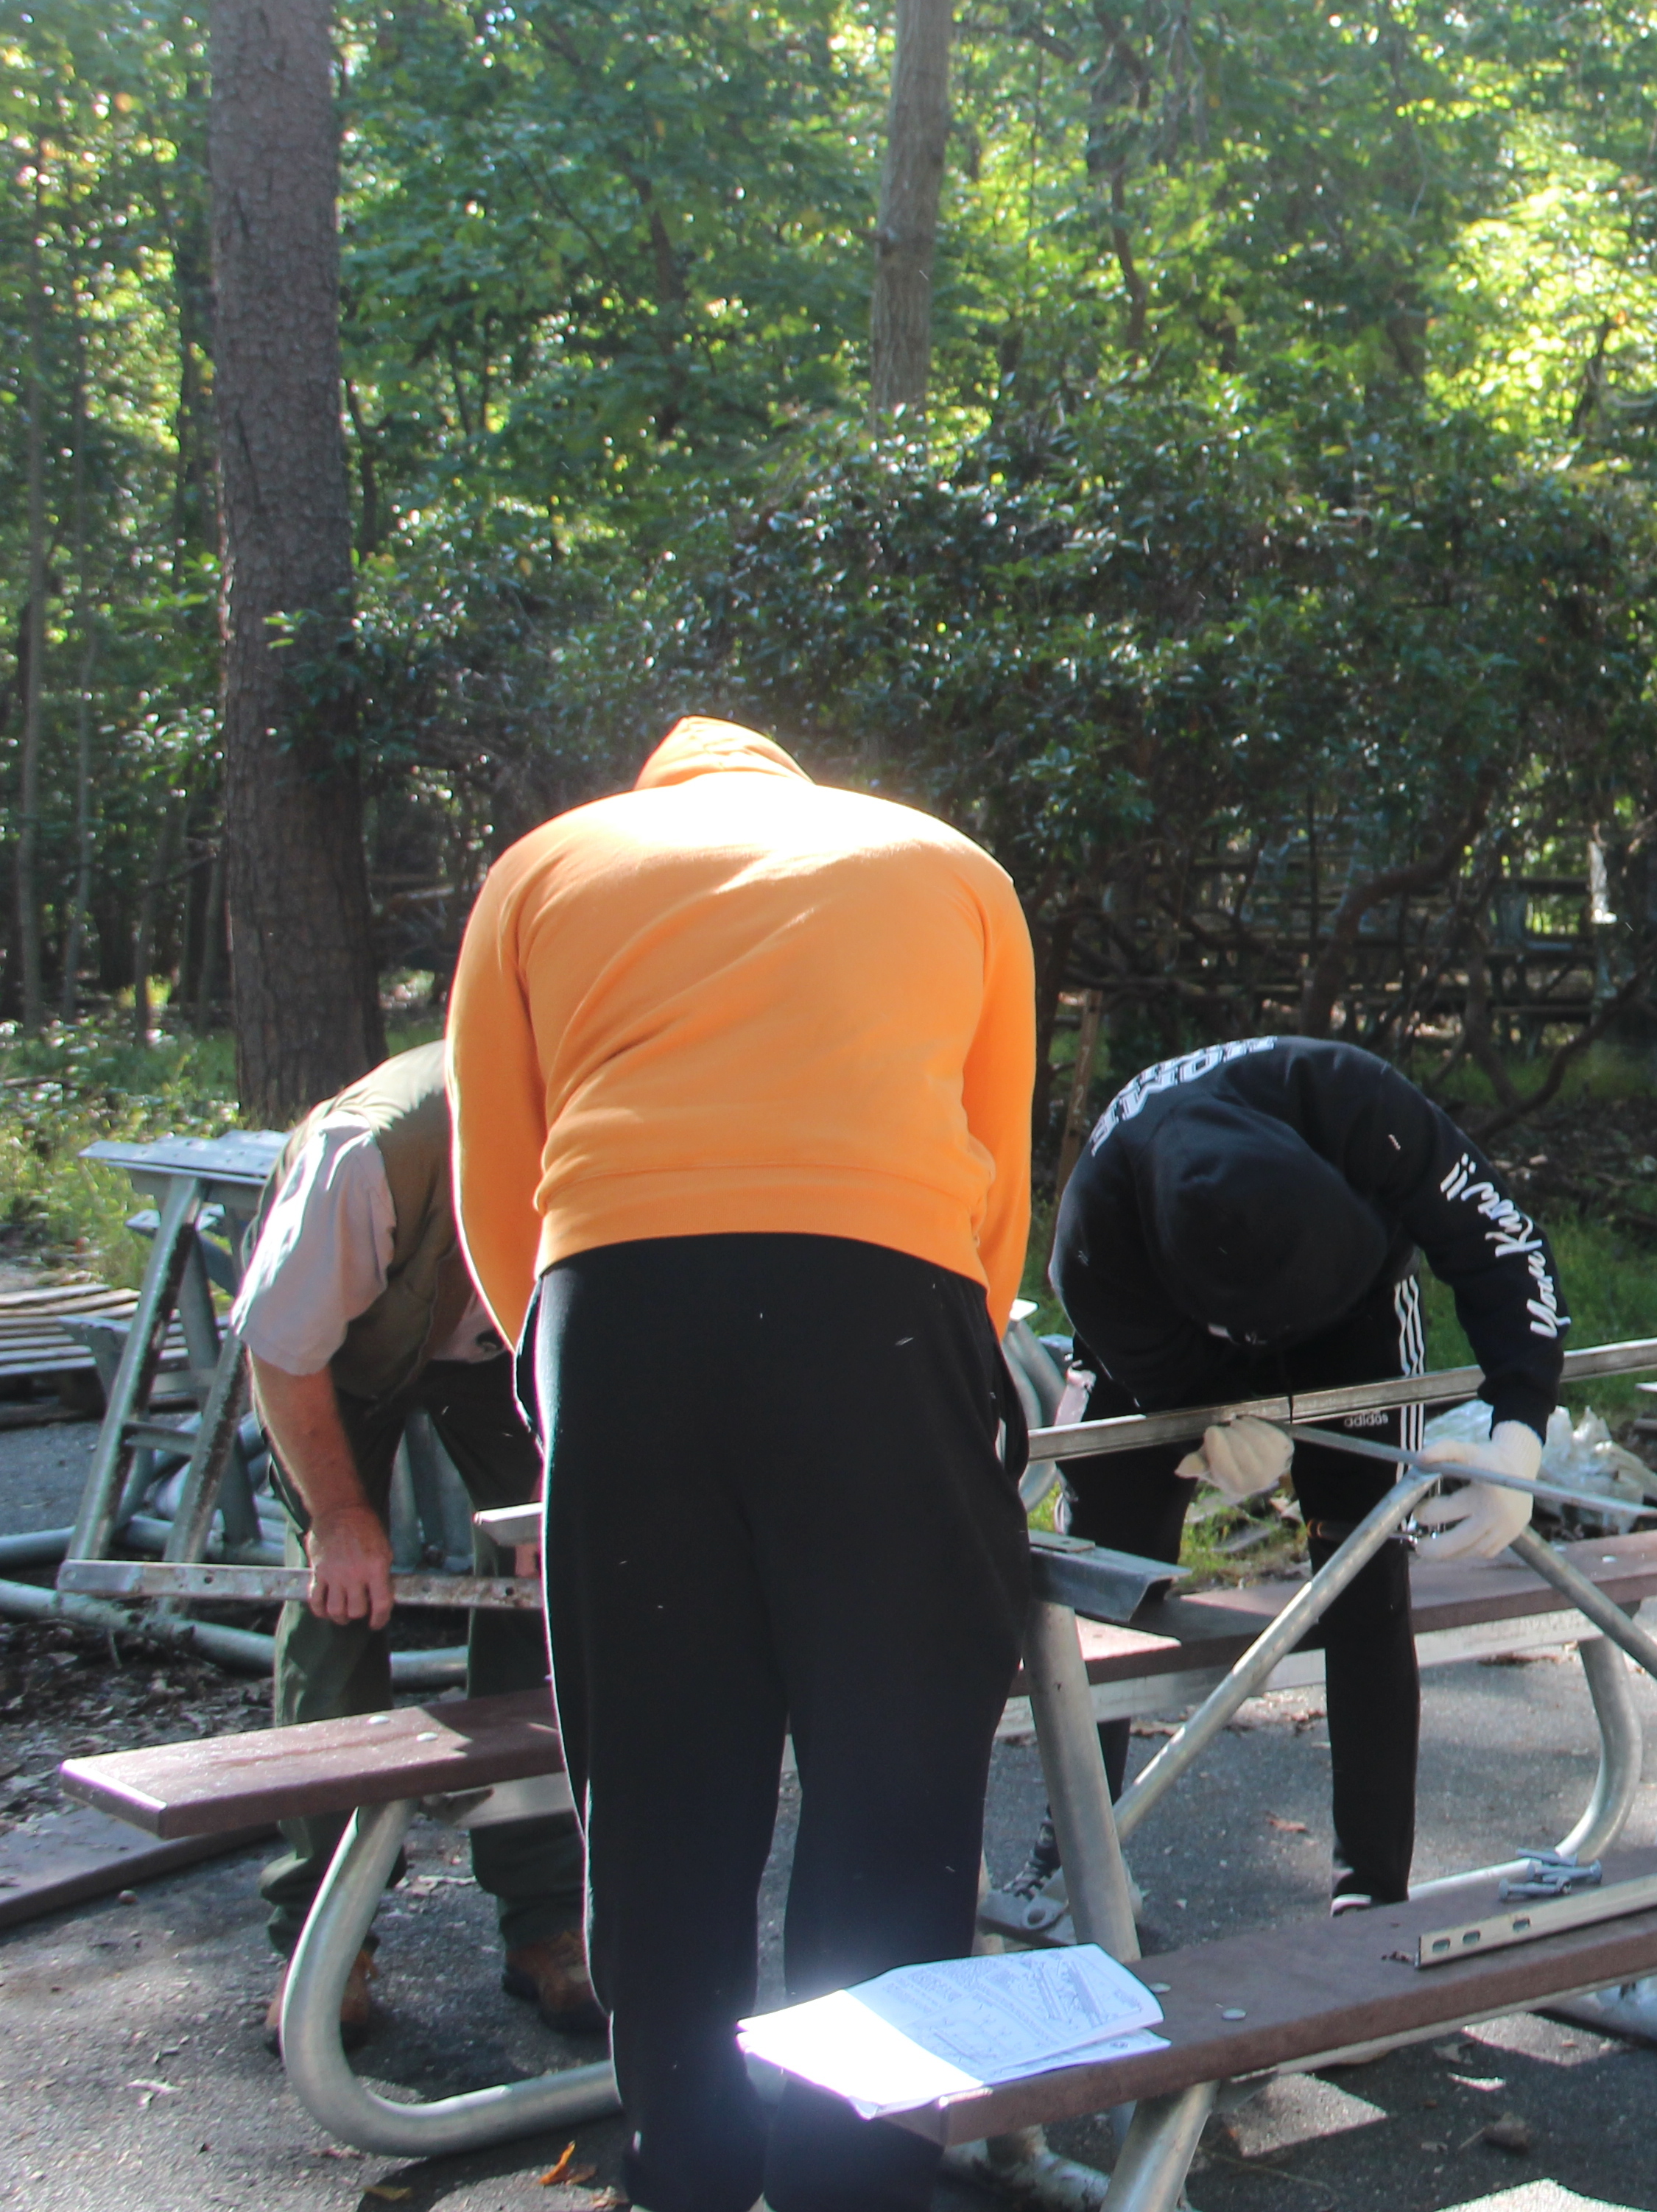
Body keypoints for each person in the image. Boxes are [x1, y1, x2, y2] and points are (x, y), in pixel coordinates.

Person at [448, 718, 1038, 2212]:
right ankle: (855, 2177)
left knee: (655, 1785)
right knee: (894, 1772)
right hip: (883, 1297)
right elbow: (997, 1166)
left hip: (620, 1301)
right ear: (796, 786)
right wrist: (943, 1353)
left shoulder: (538, 867)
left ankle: (686, 2172)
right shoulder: (951, 865)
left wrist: (562, 1380)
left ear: (655, 798)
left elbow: (499, 1177)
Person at [1046, 1035, 1570, 1911]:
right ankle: (1073, 1857)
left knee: (1363, 1556)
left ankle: (1369, 1886)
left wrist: (1521, 1421)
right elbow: (1146, 1358)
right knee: (1109, 1560)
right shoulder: (1097, 1238)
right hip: (1171, 1319)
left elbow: (1500, 1237)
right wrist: (1206, 1406)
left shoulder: (1361, 1109)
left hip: (1359, 1308)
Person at [236, 1040, 591, 2042]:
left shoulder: (621, 1137)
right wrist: (342, 1521)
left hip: (508, 1355)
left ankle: (546, 1922)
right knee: (342, 1603)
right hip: (341, 1347)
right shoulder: (371, 1154)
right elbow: (282, 1349)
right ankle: (323, 1941)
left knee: (553, 1580)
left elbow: (606, 1336)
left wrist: (553, 1481)